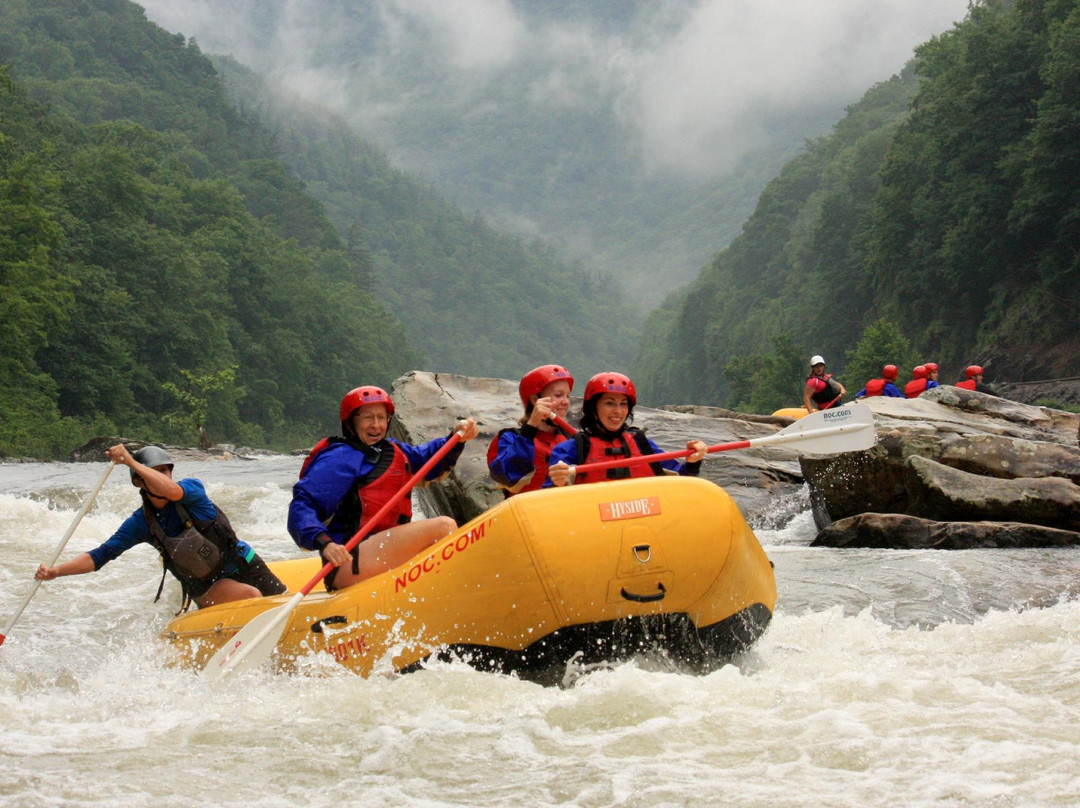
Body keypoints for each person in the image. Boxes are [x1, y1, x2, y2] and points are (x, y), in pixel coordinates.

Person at [35, 445, 286, 610]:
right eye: (155, 472)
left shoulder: (192, 491)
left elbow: (172, 491)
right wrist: (57, 571)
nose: (164, 476)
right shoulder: (141, 522)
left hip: (244, 563)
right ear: (139, 483)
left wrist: (132, 462)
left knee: (283, 604)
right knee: (251, 598)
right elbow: (101, 555)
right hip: (205, 587)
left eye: (166, 470)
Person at [288, 385, 480, 591]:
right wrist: (325, 543)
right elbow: (302, 504)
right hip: (348, 560)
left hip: (380, 551)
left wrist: (457, 436)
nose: (376, 425)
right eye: (368, 417)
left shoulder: (394, 451)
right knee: (444, 527)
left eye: (381, 417)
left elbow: (429, 458)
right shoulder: (339, 458)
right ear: (352, 421)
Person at [546, 372, 707, 486]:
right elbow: (547, 500)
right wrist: (556, 482)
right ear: (593, 408)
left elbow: (682, 479)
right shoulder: (571, 449)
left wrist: (693, 463)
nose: (618, 411)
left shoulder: (642, 444)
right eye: (609, 403)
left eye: (623, 404)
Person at [488, 364, 575, 496]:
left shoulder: (571, 440)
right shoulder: (509, 438)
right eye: (558, 395)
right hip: (526, 513)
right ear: (535, 400)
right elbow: (508, 477)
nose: (566, 402)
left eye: (567, 396)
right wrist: (531, 426)